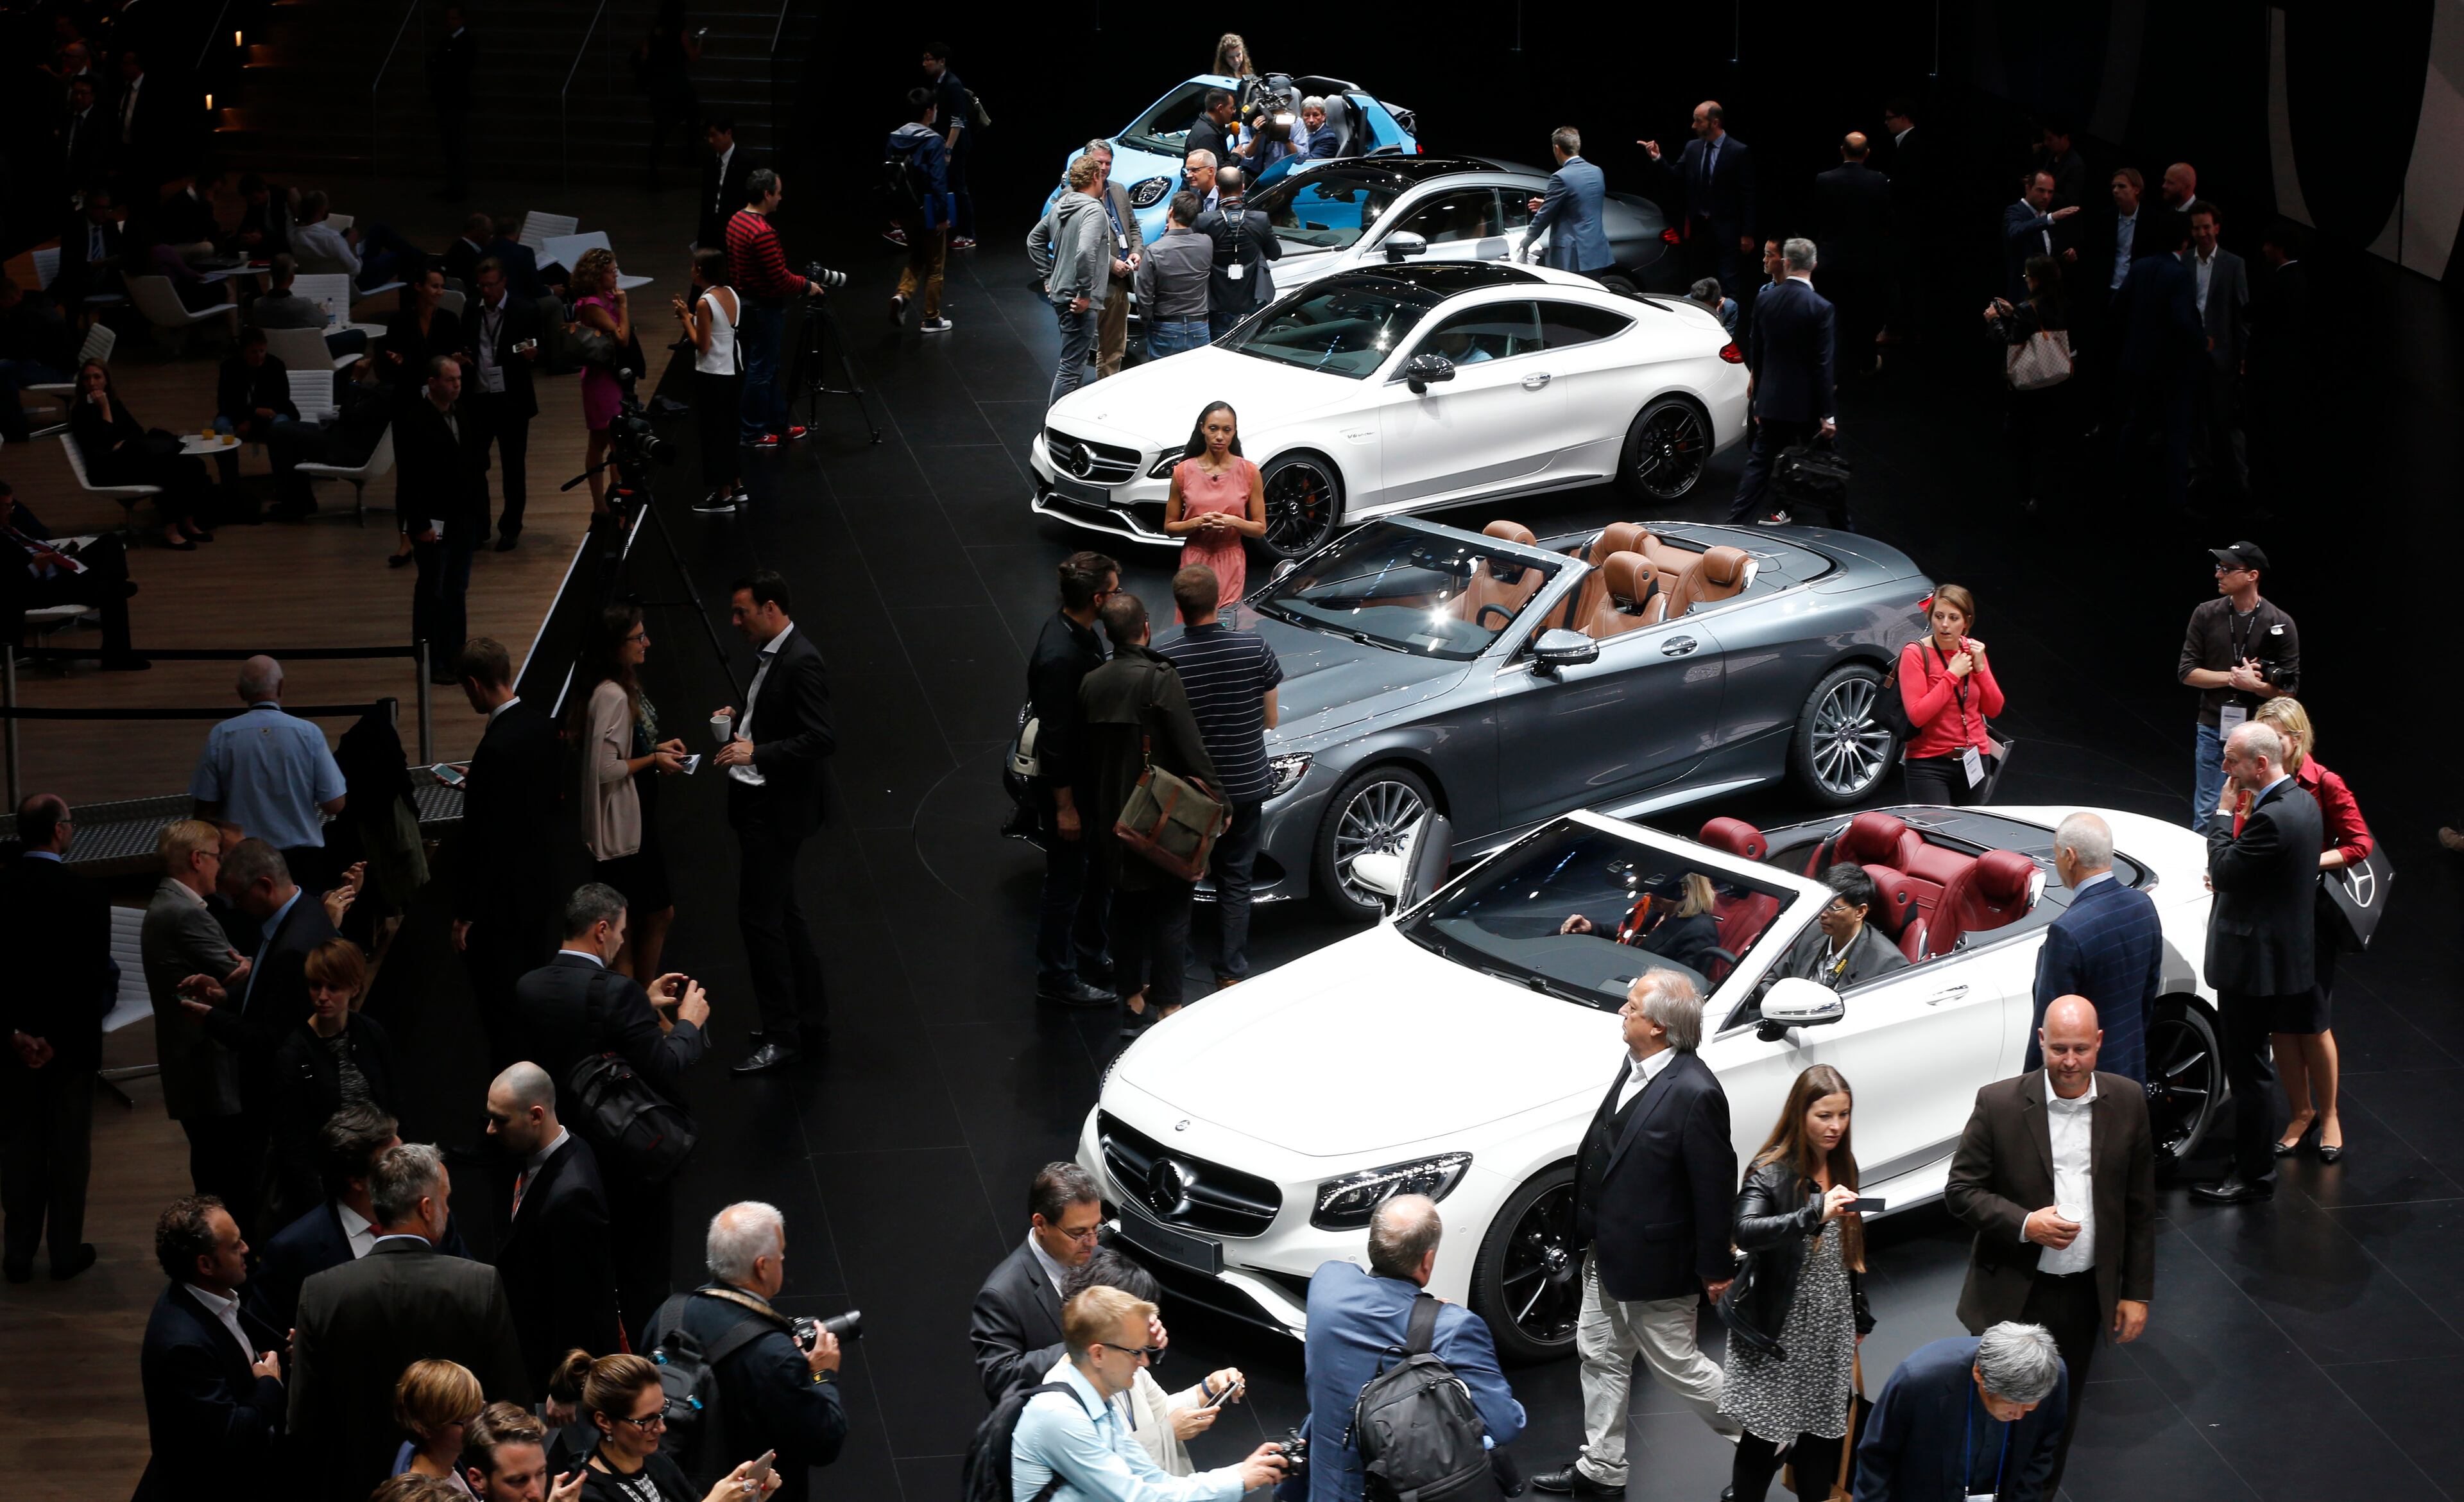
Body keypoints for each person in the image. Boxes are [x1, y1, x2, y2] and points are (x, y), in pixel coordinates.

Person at [1534, 972, 1738, 1497]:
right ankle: (1602, 1467)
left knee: (1678, 1366)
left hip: (1657, 1263)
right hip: (1607, 1250)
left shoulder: (1697, 1092)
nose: (1622, 1013)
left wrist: (1715, 1268)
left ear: (1661, 1027)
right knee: (1598, 1351)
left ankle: (1770, 1439)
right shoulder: (1636, 1068)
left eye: (1631, 1008)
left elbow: (1714, 1189)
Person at [1947, 995, 2154, 1492]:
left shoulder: (2127, 1100)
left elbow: (2140, 1206)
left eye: (2080, 1049)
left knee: (2058, 1418)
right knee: (1995, 1412)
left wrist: (2135, 1292)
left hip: (2086, 1294)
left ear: (2099, 1043)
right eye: (2058, 1048)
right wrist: (2025, 1224)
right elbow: (1961, 1192)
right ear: (2040, 1040)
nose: (2069, 1062)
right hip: (2017, 1291)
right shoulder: (1998, 1104)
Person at [512, 884, 708, 1338]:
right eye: (620, 931)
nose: (623, 941)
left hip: (563, 1152)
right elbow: (663, 1066)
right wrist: (688, 1025)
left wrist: (641, 1000)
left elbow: (579, 1031)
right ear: (601, 930)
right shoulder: (616, 992)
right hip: (627, 1156)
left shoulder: (529, 988)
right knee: (645, 1273)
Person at [289, 1143, 529, 1497]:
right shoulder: (479, 1284)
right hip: (457, 1483)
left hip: (357, 1486)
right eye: (446, 1199)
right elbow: (510, 1402)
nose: (448, 1209)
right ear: (426, 1208)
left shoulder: (321, 1292)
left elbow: (304, 1423)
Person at [1294, 1196, 1523, 1500]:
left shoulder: (1328, 1283)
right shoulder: (1453, 1327)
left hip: (1324, 1489)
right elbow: (1504, 1424)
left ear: (1372, 1245)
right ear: (1427, 1262)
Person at [1718, 1065, 1874, 1502]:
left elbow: (1852, 1249)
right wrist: (1813, 1213)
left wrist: (1859, 1313)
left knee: (1822, 1433)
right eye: (1825, 1115)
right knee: (1764, 1435)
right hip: (1779, 1328)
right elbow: (1746, 1229)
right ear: (1800, 1114)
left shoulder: (1844, 1166)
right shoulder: (1770, 1171)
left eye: (1843, 1115)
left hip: (1830, 1324)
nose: (1836, 1127)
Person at [177, 840, 341, 1230]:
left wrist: (211, 1017)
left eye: (238, 896)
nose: (235, 906)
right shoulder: (301, 914)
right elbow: (269, 991)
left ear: (266, 886)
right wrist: (227, 994)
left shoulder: (294, 947)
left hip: (278, 1102)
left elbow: (270, 1039)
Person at [641, 1203, 847, 1502]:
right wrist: (821, 1374)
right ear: (762, 1267)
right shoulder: (774, 1355)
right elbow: (824, 1443)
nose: (784, 1259)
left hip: (665, 1481)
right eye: (781, 1254)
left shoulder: (668, 1314)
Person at [713, 571, 835, 1073]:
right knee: (784, 915)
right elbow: (776, 713)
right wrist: (742, 719)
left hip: (774, 812)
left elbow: (821, 738)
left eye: (743, 611)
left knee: (760, 921)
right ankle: (809, 1017)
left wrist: (755, 748)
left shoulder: (802, 661)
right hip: (760, 805)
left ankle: (782, 1033)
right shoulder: (773, 655)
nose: (735, 621)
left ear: (771, 608)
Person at [1079, 592, 1218, 1032]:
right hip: (1158, 816)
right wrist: (1220, 801)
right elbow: (1190, 747)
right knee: (1172, 912)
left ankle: (1131, 999)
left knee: (1124, 911)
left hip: (1111, 819)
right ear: (1146, 628)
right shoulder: (1160, 679)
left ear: (1106, 633)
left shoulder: (1090, 683)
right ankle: (1169, 1005)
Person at [2195, 720, 2321, 1205]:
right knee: (2254, 1068)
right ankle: (2252, 1162)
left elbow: (2225, 871)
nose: (2225, 768)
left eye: (2232, 760)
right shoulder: (2302, 803)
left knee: (2249, 1073)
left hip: (2254, 965)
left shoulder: (2269, 817)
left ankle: (2253, 1175)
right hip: (2278, 957)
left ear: (2260, 764)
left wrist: (2224, 815)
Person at [1015, 1284, 1290, 1501]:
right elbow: (1141, 1497)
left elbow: (1155, 1480)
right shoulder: (1061, 1417)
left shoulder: (1095, 1397)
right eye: (1136, 1352)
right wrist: (1239, 1481)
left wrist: (1243, 1473)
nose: (1145, 1362)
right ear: (1098, 1354)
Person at [2252, 696, 2368, 1164]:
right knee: (2280, 1021)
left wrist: (2310, 861)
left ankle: (2331, 1113)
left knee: (2313, 1019)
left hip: (2311, 917)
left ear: (2295, 740)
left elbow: (2360, 843)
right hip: (2269, 914)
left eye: (2274, 738)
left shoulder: (2325, 783)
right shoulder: (2254, 779)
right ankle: (2300, 1112)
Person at [1, 794, 109, 1283]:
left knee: (19, 1152)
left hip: (11, 1052)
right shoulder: (86, 895)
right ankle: (65, 1253)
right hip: (70, 1052)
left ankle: (18, 1254)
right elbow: (92, 984)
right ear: (59, 831)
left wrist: (17, 1035)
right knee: (69, 1153)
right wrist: (57, 1041)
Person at [1159, 565, 1281, 988]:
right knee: (1236, 878)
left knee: (1180, 880)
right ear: (1219, 601)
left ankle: (1171, 980)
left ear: (1179, 606)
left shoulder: (1169, 662)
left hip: (1194, 792)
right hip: (1247, 783)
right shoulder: (1255, 649)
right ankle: (1230, 972)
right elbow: (1270, 718)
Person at [449, 637, 567, 1064]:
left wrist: (466, 914)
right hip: (542, 887)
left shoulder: (495, 748)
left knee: (502, 1008)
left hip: (503, 905)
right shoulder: (542, 725)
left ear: (476, 685)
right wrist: (479, 778)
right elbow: (543, 795)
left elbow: (485, 842)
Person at [133, 1195, 286, 1502]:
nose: (246, 1249)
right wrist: (270, 1384)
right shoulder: (183, 1346)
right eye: (234, 1246)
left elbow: (234, 1343)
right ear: (205, 1264)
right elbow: (232, 1435)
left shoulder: (208, 1296)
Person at [1045, 1250, 1245, 1475]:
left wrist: (1209, 1388)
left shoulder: (1124, 1357)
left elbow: (1159, 1411)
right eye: (1141, 1317)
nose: (1144, 1360)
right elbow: (1102, 1472)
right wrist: (1167, 1433)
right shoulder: (1062, 1402)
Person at [486, 1061, 622, 1388]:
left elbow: (579, 1300)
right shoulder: (568, 1147)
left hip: (548, 1365)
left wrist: (566, 1386)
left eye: (500, 1120)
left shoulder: (572, 1196)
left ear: (536, 1116)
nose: (490, 1129)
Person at [142, 820, 255, 1212]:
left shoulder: (169, 905)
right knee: (225, 1173)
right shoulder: (185, 914)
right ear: (197, 859)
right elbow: (240, 971)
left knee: (211, 1165)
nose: (220, 867)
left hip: (189, 1065)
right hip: (207, 1065)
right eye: (216, 857)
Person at [1027, 552, 1120, 1009]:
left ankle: (1089, 951)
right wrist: (1065, 807)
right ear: (1098, 598)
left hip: (1088, 784)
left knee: (1094, 873)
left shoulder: (1077, 633)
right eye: (1116, 590)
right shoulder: (1063, 656)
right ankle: (1056, 974)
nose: (1120, 597)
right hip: (1070, 789)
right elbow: (1056, 741)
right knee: (1065, 881)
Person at [574, 606, 686, 976]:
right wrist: (653, 760)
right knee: (639, 918)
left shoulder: (621, 686)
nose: (647, 643)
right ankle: (641, 1006)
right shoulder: (614, 696)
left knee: (637, 915)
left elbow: (627, 747)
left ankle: (639, 1005)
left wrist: (657, 749)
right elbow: (606, 769)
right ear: (615, 646)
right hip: (627, 834)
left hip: (637, 825)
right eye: (638, 638)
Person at [1852, 1322, 2067, 1501]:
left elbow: (2042, 1451)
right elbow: (1877, 1456)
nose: (2019, 1415)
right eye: (2009, 1403)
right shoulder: (1919, 1381)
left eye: (2030, 1406)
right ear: (1978, 1374)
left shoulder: (2052, 1376)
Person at [266, 939, 400, 1223]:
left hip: (379, 1174)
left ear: (354, 988)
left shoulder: (371, 1034)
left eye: (333, 988)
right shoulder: (293, 1054)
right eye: (316, 986)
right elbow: (291, 1144)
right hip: (328, 1187)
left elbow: (393, 1102)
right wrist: (320, 1207)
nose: (322, 997)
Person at [2026, 813, 2164, 1083]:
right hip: (2131, 1071)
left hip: (2082, 1084)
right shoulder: (2142, 905)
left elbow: (2050, 1026)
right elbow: (2149, 993)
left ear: (2070, 857)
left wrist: (2029, 1090)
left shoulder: (2067, 932)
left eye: (2056, 856)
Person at [189, 655, 348, 890]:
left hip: (242, 859)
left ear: (240, 692)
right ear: (281, 686)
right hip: (302, 861)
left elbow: (204, 810)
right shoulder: (308, 733)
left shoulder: (221, 736)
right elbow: (334, 804)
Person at [2177, 541, 2298, 827]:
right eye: (2219, 568)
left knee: (2254, 809)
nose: (2219, 574)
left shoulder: (2279, 622)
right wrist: (2234, 678)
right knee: (2208, 807)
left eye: (2228, 569)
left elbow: (2289, 690)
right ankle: (2207, 866)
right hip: (2212, 725)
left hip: (2261, 734)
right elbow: (2187, 672)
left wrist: (2254, 687)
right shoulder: (2205, 614)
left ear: (2252, 576)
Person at [561, 1349, 786, 1502]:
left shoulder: (655, 1461)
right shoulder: (584, 1493)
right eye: (647, 1420)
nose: (661, 1428)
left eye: (662, 1412)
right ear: (604, 1422)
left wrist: (752, 1496)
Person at [972, 1162, 1104, 1404]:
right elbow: (999, 1377)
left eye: (1096, 1228)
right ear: (1041, 1224)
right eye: (1079, 1233)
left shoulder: (1098, 1258)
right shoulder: (1002, 1294)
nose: (1092, 1242)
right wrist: (1080, 1347)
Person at [1729, 239, 1838, 526]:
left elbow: (1759, 351)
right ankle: (1844, 527)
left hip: (1774, 399)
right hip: (1806, 403)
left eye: (1769, 255)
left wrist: (1759, 397)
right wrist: (1828, 413)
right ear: (1814, 265)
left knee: (1760, 464)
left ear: (1786, 262)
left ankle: (1734, 527)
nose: (1764, 260)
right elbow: (1822, 363)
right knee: (1829, 470)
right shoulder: (1819, 306)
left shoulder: (1766, 299)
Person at [2109, 209, 2202, 512]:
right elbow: (2182, 322)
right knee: (2177, 434)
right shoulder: (2179, 275)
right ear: (2185, 241)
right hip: (2170, 371)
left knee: (2135, 426)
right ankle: (2177, 503)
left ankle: (2122, 487)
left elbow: (2118, 307)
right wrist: (2203, 342)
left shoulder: (2140, 267)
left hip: (2137, 364)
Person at [398, 358, 486, 675]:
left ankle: (455, 655)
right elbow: (409, 479)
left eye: (459, 379)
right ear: (433, 382)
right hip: (433, 521)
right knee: (432, 590)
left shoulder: (462, 412)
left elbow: (473, 465)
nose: (457, 385)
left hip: (463, 518)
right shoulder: (414, 419)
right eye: (450, 380)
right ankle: (429, 660)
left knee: (457, 589)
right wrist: (419, 525)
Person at [0, 479, 146, 669]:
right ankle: (116, 657)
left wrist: (63, 553)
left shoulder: (9, 528)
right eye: (5, 507)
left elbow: (36, 543)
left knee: (110, 541)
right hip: (39, 587)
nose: (10, 511)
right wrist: (36, 568)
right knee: (114, 590)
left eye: (11, 505)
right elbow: (9, 584)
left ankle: (106, 585)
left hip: (60, 569)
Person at [68, 358, 214, 548]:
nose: (92, 383)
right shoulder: (81, 412)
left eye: (97, 377)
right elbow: (104, 442)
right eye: (87, 378)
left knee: (194, 464)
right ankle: (171, 529)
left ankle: (188, 522)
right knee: (170, 471)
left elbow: (137, 432)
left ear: (106, 380)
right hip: (105, 469)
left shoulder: (114, 403)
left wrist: (122, 442)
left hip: (128, 460)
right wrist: (104, 409)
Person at [725, 169, 818, 449]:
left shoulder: (736, 220)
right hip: (765, 308)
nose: (781, 197)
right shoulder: (763, 232)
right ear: (767, 194)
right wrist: (807, 285)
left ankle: (778, 423)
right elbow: (779, 277)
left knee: (767, 367)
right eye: (778, 192)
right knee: (761, 370)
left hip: (748, 303)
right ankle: (753, 432)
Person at [1896, 585, 2005, 806]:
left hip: (1974, 758)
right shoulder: (1915, 653)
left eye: (1953, 618)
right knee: (1938, 832)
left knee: (1966, 832)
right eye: (1939, 616)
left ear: (1966, 622)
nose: (1945, 624)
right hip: (1928, 763)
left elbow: (1994, 709)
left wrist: (1981, 669)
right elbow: (1917, 715)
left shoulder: (1972, 651)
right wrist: (1952, 675)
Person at [464, 256, 545, 550]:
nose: (486, 291)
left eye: (491, 285)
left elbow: (542, 345)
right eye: (481, 285)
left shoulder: (525, 310)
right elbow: (466, 342)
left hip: (512, 403)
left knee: (513, 469)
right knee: (474, 466)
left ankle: (511, 528)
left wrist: (534, 354)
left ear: (504, 283)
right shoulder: (472, 308)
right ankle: (480, 526)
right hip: (479, 399)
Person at [1641, 101, 1758, 295]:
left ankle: (1728, 322)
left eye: (1699, 121)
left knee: (1728, 280)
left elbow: (1748, 195)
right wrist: (1657, 158)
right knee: (1698, 279)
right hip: (1699, 227)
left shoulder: (1738, 151)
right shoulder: (1693, 147)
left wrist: (1748, 233)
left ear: (1715, 123)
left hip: (1727, 227)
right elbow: (1676, 176)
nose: (1693, 126)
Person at [1983, 255, 2070, 514]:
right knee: (2047, 440)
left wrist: (1994, 320)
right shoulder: (2062, 303)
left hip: (2028, 388)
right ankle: (2046, 493)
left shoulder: (2027, 309)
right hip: (2055, 381)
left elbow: (2010, 344)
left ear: (2037, 280)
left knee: (2023, 443)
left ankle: (2027, 495)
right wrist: (2015, 313)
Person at [1161, 402, 1265, 615]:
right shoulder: (1183, 472)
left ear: (1234, 432)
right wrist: (1196, 522)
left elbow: (1260, 528)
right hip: (1195, 560)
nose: (1220, 436)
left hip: (1231, 558)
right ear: (1202, 428)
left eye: (1227, 430)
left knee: (1225, 622)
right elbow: (1170, 528)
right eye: (1213, 429)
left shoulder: (1250, 472)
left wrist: (1234, 521)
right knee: (1192, 622)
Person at [2183, 201, 2250, 506]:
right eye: (2197, 228)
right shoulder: (2183, 261)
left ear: (2217, 228)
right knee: (2194, 418)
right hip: (2190, 355)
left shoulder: (2233, 264)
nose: (2202, 233)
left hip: (2222, 357)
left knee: (2226, 422)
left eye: (2206, 227)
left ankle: (2238, 483)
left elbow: (2241, 314)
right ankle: (2200, 473)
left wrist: (2242, 356)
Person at [1029, 155, 1109, 407]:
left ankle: (1063, 422)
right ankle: (1051, 427)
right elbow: (1086, 252)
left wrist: (1048, 276)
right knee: (1071, 368)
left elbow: (1034, 240)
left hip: (1062, 293)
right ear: (1095, 177)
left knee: (1072, 364)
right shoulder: (1093, 210)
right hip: (1078, 300)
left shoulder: (1061, 205)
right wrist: (1085, 292)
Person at [674, 246, 747, 512]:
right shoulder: (731, 294)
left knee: (714, 434)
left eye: (694, 267)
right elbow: (721, 329)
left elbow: (702, 345)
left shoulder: (704, 302)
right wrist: (693, 318)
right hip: (733, 369)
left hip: (713, 374)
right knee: (729, 429)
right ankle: (737, 485)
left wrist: (685, 319)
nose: (691, 270)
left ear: (701, 271)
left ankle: (723, 495)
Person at [1813, 132, 1892, 376]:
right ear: (1867, 153)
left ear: (1842, 150)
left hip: (1831, 262)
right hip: (1866, 263)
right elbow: (1886, 222)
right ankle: (1865, 364)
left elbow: (1817, 220)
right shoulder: (1879, 181)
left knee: (1832, 317)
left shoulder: (1824, 180)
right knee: (1865, 317)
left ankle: (1833, 372)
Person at [1768, 863, 1909, 992]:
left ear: (1860, 912)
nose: (1822, 915)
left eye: (1832, 908)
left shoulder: (1888, 964)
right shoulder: (1812, 932)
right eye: (1821, 904)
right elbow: (1772, 981)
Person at [571, 247, 633, 524]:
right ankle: (617, 508)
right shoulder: (592, 306)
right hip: (600, 381)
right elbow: (622, 339)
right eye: (611, 271)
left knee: (598, 442)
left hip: (610, 376)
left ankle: (602, 507)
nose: (615, 274)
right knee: (615, 442)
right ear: (598, 275)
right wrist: (623, 307)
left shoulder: (606, 297)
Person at [886, 92, 956, 334]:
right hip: (927, 210)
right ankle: (931, 318)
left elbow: (891, 179)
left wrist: (893, 211)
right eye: (935, 108)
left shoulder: (895, 138)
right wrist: (942, 216)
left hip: (904, 210)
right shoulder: (933, 141)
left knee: (917, 254)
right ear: (928, 111)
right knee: (936, 265)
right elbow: (938, 181)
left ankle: (902, 296)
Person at [1558, 873, 1724, 972]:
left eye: (1661, 889)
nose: (1651, 895)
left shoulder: (1700, 930)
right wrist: (1592, 929)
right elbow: (1630, 942)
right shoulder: (1658, 909)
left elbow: (1682, 989)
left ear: (1686, 890)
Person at [1192, 166, 1280, 341]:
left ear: (1218, 188)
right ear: (1243, 187)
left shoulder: (1203, 221)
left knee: (1219, 349)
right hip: (1253, 298)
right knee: (1250, 349)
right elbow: (1275, 253)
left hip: (1217, 301)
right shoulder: (1260, 219)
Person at [1080, 140, 1144, 376]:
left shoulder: (1118, 190)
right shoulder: (1075, 196)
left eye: (1108, 163)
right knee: (1079, 349)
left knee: (1114, 347)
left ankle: (1104, 391)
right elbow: (1081, 246)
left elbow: (1134, 227)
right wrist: (1111, 264)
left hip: (1120, 283)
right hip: (1091, 285)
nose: (1105, 168)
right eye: (1100, 163)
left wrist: (1137, 251)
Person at [1525, 126, 1613, 279]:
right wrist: (1547, 203)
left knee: (1572, 300)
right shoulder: (1597, 171)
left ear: (1557, 148)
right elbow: (1582, 202)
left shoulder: (1561, 177)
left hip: (1572, 257)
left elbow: (1545, 217)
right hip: (1597, 251)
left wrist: (1526, 241)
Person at [390, 1358, 485, 1495]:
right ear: (424, 1428)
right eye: (465, 1419)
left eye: (478, 1411)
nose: (477, 1424)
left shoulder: (449, 1466)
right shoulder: (422, 1497)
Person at [1136, 193, 1213, 360]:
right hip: (1199, 325)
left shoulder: (1155, 250)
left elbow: (1144, 294)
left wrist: (1147, 318)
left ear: (1170, 212)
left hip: (1166, 326)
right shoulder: (1207, 243)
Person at [635, 1, 701, 190]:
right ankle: (690, 154)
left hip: (658, 84)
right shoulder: (681, 32)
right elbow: (693, 56)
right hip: (677, 82)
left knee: (661, 128)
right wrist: (701, 44)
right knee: (693, 113)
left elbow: (644, 56)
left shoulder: (654, 32)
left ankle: (653, 172)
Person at [919, 43, 976, 249]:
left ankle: (968, 234)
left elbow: (958, 121)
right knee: (943, 186)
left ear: (942, 61)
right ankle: (941, 226)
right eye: (924, 59)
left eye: (929, 59)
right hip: (942, 142)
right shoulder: (938, 82)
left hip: (955, 146)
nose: (924, 63)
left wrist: (948, 150)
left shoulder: (952, 84)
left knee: (959, 188)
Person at [2001, 170, 2080, 304]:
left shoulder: (2046, 217)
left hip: (2045, 297)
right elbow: (2015, 232)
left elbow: (2042, 258)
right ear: (2028, 188)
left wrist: (2063, 259)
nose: (2046, 197)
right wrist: (2050, 218)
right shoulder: (2015, 211)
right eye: (2041, 191)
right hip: (2023, 294)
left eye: (2050, 192)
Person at [428, 4, 476, 198]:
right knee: (451, 145)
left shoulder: (465, 42)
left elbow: (456, 67)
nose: (450, 22)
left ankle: (458, 186)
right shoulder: (449, 41)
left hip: (455, 100)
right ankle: (454, 185)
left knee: (456, 144)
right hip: (448, 100)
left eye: (454, 19)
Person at [698, 116, 754, 252]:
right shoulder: (710, 162)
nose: (711, 141)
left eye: (714, 135)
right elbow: (706, 203)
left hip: (735, 229)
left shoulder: (746, 162)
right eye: (708, 136)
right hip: (711, 229)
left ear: (728, 133)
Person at [1186, 89, 1238, 171]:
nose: (1233, 112)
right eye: (1231, 108)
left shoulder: (1210, 125)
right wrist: (1236, 156)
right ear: (1220, 108)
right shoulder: (1208, 136)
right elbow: (1219, 171)